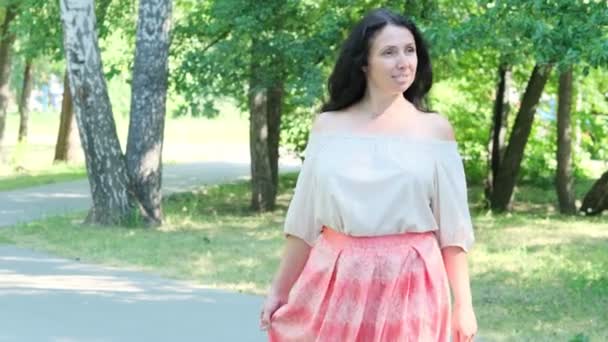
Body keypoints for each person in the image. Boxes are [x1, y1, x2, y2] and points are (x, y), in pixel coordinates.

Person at [260, 8, 477, 342]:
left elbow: (454, 230)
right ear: (364, 63)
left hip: (412, 284)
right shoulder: (328, 127)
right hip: (337, 279)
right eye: (389, 53)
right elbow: (303, 223)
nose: (403, 62)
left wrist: (464, 305)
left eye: (409, 50)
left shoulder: (434, 130)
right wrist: (279, 289)